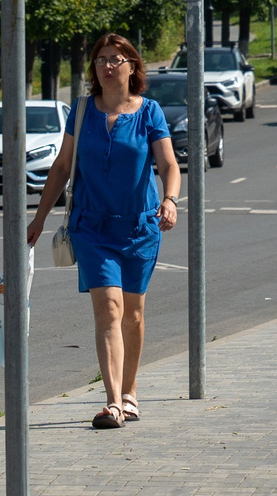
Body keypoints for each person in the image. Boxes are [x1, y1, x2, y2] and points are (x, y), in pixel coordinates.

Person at [27, 32, 181, 429]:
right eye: (101, 59)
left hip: (140, 225)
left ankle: (130, 392)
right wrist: (40, 217)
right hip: (91, 227)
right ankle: (112, 402)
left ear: (133, 66)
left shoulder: (149, 112)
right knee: (108, 307)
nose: (108, 66)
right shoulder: (81, 111)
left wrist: (170, 200)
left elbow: (168, 165)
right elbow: (62, 168)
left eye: (116, 59)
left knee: (133, 313)